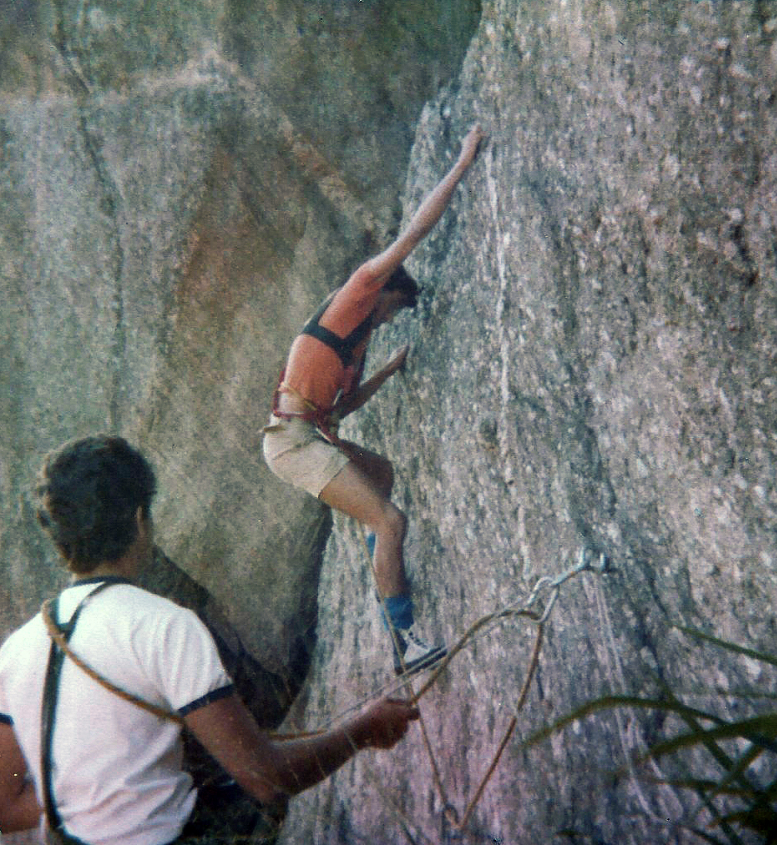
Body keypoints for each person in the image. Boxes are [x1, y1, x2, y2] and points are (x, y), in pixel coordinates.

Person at [0, 435, 419, 844]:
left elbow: (6, 808)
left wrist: (94, 797)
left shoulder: (16, 651)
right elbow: (266, 779)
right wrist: (363, 730)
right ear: (141, 520)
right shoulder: (163, 624)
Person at [263, 123, 485, 675]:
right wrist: (463, 160)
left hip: (308, 433)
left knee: (381, 476)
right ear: (383, 293)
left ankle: (378, 552)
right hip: (290, 444)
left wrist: (387, 370)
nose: (388, 318)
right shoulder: (358, 291)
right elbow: (415, 232)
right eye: (392, 308)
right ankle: (406, 642)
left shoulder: (355, 345)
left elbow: (341, 410)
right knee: (392, 521)